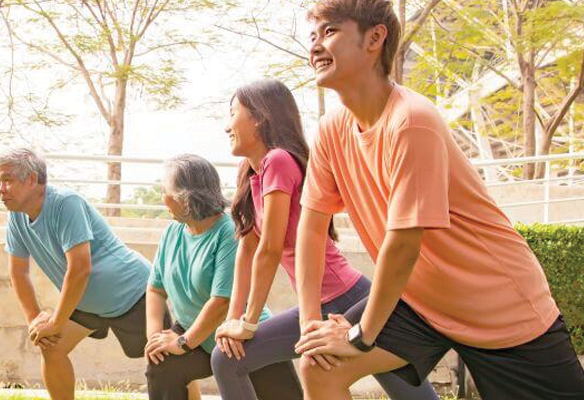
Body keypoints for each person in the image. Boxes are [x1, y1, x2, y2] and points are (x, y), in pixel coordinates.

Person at [294, 1, 584, 400]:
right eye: (312, 37)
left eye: (328, 32)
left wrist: (361, 337)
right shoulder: (330, 130)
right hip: (418, 302)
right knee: (320, 367)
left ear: (374, 38)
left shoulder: (412, 121)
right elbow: (310, 228)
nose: (315, 47)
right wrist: (311, 326)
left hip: (498, 308)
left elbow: (403, 243)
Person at [210, 79, 439, 400]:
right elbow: (247, 249)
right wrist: (232, 320)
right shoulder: (251, 175)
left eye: (234, 112)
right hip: (315, 307)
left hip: (350, 298)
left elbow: (270, 249)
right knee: (226, 357)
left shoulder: (279, 161)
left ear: (259, 117)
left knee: (413, 396)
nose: (226, 125)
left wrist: (248, 323)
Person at [0, 147, 164, 400]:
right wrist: (36, 320)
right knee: (51, 348)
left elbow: (80, 268)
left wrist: (56, 322)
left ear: (31, 180)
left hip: (134, 292)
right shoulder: (16, 219)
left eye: (7, 180)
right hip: (84, 301)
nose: (0, 189)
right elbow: (18, 273)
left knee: (167, 362)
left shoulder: (65, 203)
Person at [144, 154, 298, 400]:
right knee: (162, 365)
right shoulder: (172, 232)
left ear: (187, 197)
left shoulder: (229, 233)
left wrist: (183, 343)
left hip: (242, 339)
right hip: (195, 334)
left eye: (167, 191)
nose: (163, 198)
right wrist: (155, 339)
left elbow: (221, 301)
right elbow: (155, 289)